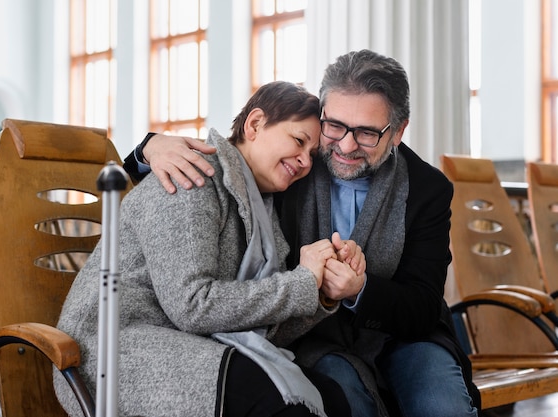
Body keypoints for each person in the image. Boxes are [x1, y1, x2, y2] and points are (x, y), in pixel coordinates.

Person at [127, 50, 481, 417]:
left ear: (397, 132)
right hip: (312, 338)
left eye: (367, 133)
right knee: (347, 400)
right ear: (322, 115)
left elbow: (423, 305)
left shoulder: (427, 188)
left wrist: (361, 291)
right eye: (335, 126)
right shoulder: (295, 165)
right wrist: (149, 147)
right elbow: (230, 159)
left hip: (404, 336)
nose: (345, 145)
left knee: (443, 407)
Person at [54, 81, 361, 417]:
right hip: (113, 351)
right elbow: (192, 305)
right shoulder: (192, 176)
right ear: (255, 124)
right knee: (275, 400)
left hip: (183, 344)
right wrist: (300, 282)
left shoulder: (265, 217)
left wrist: (320, 293)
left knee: (330, 396)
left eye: (311, 155)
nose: (304, 161)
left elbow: (258, 327)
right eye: (298, 141)